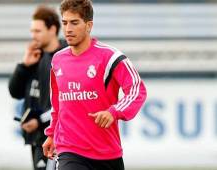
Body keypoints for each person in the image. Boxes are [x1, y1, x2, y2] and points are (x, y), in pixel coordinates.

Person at [42, 0, 147, 170]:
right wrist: (52, 133)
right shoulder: (58, 60)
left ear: (89, 25)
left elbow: (137, 90)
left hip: (107, 154)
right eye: (65, 23)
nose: (68, 29)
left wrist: (114, 111)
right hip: (69, 150)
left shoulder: (111, 57)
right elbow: (58, 103)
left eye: (74, 23)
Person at [8, 5, 67, 170]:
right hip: (36, 139)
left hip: (57, 138)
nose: (33, 36)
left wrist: (39, 120)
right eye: (32, 31)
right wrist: (24, 66)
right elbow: (15, 92)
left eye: (38, 31)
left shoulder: (65, 57)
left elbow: (66, 102)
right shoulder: (34, 56)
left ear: (52, 29)